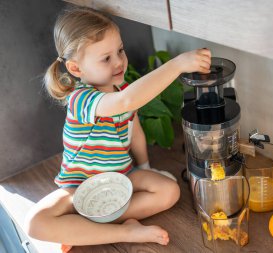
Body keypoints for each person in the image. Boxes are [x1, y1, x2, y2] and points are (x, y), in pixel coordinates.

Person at [24, 6, 211, 249]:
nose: (119, 61)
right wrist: (177, 65)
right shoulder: (80, 99)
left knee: (170, 191)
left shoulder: (121, 91)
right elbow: (126, 102)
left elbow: (135, 132)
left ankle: (83, 228)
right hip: (79, 187)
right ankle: (124, 233)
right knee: (35, 223)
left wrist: (145, 168)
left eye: (120, 51)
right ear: (76, 69)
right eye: (106, 58)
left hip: (121, 178)